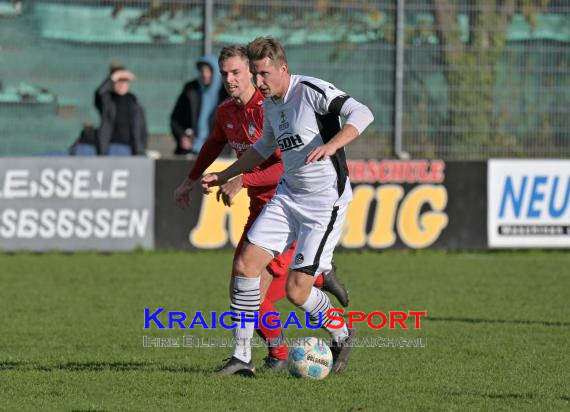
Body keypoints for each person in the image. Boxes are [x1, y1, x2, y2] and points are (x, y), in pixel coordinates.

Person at [201, 37, 374, 376]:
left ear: (283, 69)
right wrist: (225, 175)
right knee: (246, 266)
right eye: (255, 74)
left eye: (264, 74)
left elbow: (362, 113)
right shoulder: (271, 102)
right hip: (288, 196)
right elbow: (263, 147)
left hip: (325, 203)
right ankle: (242, 358)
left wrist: (332, 144)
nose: (259, 82)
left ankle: (341, 331)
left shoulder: (310, 90)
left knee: (297, 291)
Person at [170, 55, 228, 155]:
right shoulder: (190, 90)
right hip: (190, 152)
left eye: (208, 70)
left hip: (218, 154)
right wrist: (182, 136)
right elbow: (175, 119)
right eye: (202, 70)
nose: (205, 74)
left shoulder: (226, 93)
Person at [94, 63, 148, 156]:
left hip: (131, 149)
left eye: (124, 81)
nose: (121, 84)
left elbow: (142, 129)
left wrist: (141, 148)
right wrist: (112, 77)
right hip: (110, 148)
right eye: (119, 81)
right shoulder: (107, 100)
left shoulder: (134, 102)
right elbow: (99, 93)